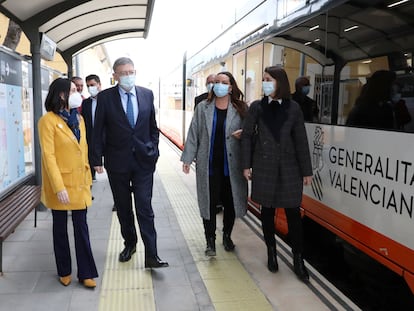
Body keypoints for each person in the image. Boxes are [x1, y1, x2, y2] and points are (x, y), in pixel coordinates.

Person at [91, 57, 168, 268]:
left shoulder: (146, 94)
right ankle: (130, 243)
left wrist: (153, 149)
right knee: (124, 208)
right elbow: (98, 130)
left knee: (145, 207)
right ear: (114, 76)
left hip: (143, 162)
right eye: (123, 73)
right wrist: (97, 159)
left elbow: (152, 126)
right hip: (117, 163)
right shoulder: (105, 98)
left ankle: (152, 254)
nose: (128, 76)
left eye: (131, 72)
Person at [240, 66, 313, 283]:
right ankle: (271, 252)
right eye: (263, 79)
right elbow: (246, 136)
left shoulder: (294, 108)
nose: (265, 83)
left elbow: (300, 139)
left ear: (279, 82)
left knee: (293, 214)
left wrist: (306, 170)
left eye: (268, 79)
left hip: (290, 168)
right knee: (267, 212)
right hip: (264, 166)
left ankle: (298, 259)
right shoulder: (257, 107)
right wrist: (246, 165)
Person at [38, 77, 98, 288]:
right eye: (73, 90)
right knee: (60, 228)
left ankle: (86, 272)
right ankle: (64, 270)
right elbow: (48, 156)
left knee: (82, 227)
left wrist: (89, 176)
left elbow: (84, 150)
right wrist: (58, 186)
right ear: (61, 94)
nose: (77, 93)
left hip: (80, 183)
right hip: (60, 185)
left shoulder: (78, 119)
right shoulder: (47, 122)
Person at [181, 71, 248, 256]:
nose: (218, 85)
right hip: (209, 165)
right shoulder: (203, 107)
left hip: (232, 166)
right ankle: (210, 240)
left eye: (223, 82)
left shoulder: (241, 108)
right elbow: (194, 133)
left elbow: (252, 133)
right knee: (208, 203)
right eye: (216, 82)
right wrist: (187, 159)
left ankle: (227, 235)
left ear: (231, 86)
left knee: (230, 202)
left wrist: (245, 134)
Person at [81, 74, 102, 182]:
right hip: (91, 135)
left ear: (99, 85)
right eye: (88, 86)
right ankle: (91, 176)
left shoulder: (108, 100)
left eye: (92, 85)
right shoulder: (86, 103)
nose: (90, 88)